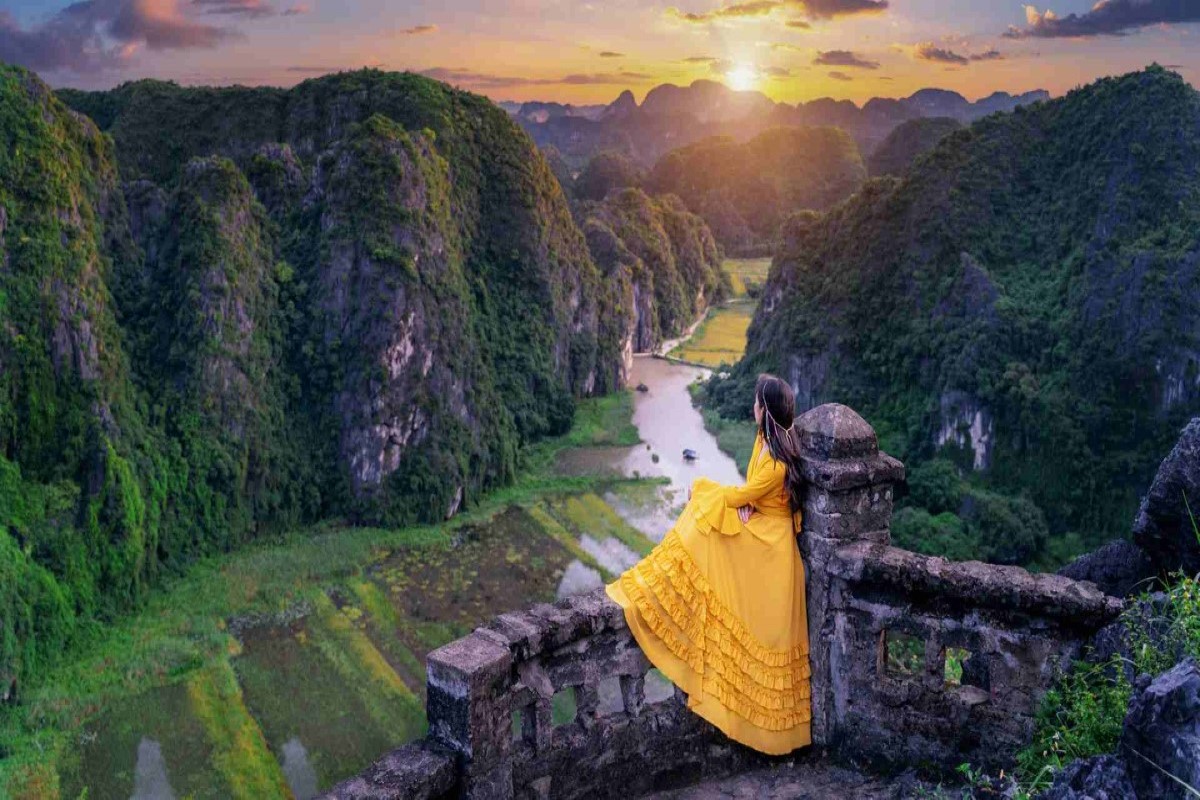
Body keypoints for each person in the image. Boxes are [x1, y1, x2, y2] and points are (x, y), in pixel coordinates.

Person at [605, 373, 811, 754]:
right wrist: (742, 502)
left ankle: (772, 735)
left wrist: (704, 490)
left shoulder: (777, 462)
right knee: (709, 517)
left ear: (764, 410)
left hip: (773, 547)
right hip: (763, 529)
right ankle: (663, 581)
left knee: (706, 520)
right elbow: (755, 496)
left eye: (755, 403)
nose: (751, 408)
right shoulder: (765, 441)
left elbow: (749, 492)